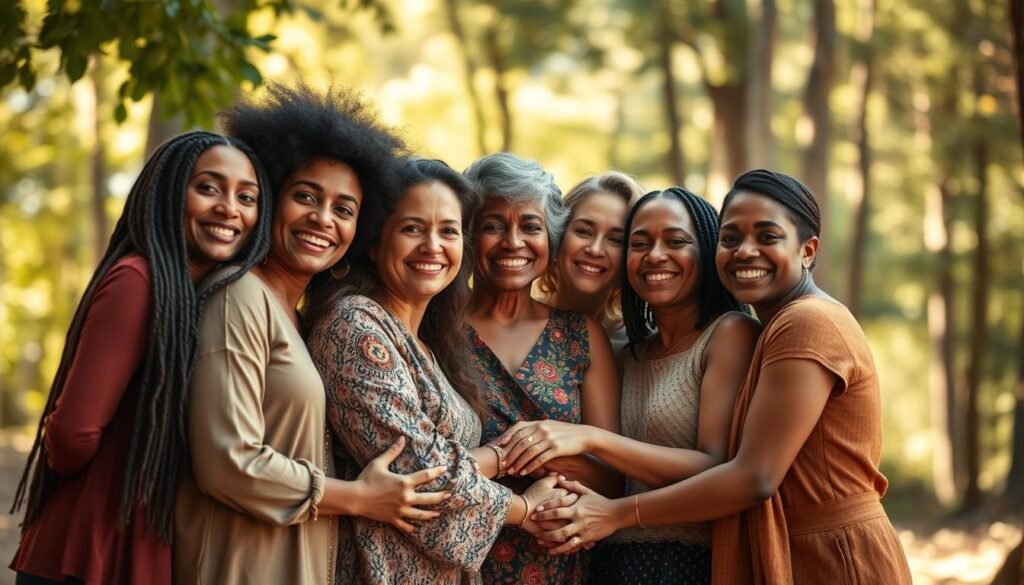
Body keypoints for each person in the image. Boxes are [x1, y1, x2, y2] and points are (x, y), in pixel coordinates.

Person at [530, 170, 913, 584]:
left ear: (808, 249)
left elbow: (752, 476)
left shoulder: (804, 322)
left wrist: (610, 492)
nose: (746, 252)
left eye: (767, 236)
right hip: (752, 549)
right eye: (731, 239)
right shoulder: (633, 351)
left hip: (835, 554)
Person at [174, 85, 448, 585]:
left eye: (344, 209)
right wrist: (359, 498)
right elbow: (225, 463)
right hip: (239, 564)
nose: (324, 219)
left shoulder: (296, 315)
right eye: (306, 197)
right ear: (271, 197)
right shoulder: (239, 297)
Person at [10, 131, 270, 585]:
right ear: (169, 192)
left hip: (139, 550)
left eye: (246, 197)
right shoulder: (139, 281)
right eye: (208, 187)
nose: (230, 208)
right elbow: (71, 434)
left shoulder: (206, 297)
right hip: (90, 552)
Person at [306, 158, 569, 584]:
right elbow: (418, 469)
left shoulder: (428, 342)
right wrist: (522, 507)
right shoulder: (355, 325)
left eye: (447, 231)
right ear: (374, 243)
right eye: (412, 229)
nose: (432, 246)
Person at [498, 187, 759, 584]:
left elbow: (718, 466)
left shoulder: (729, 333)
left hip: (683, 562)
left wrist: (590, 439)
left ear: (706, 249)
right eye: (640, 243)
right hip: (609, 560)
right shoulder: (627, 355)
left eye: (675, 242)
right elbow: (610, 479)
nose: (655, 255)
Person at [463, 153, 622, 585]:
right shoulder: (436, 329)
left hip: (558, 559)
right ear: (468, 234)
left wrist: (533, 452)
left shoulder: (582, 335)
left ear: (550, 238)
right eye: (493, 225)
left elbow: (611, 476)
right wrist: (537, 458)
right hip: (458, 557)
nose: (513, 242)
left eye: (531, 226)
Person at [536, 171, 644, 353]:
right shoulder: (511, 322)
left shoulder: (637, 346)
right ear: (559, 234)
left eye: (616, 240)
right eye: (584, 231)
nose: (595, 249)